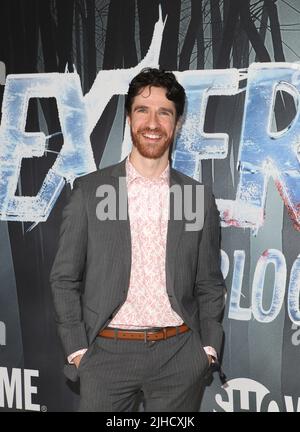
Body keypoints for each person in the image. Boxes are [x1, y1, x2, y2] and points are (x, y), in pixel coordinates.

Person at [50, 67, 226, 412]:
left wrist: (207, 349)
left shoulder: (195, 196)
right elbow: (64, 278)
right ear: (129, 118)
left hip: (180, 357)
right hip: (106, 357)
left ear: (176, 124)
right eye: (143, 110)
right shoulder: (92, 192)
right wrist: (78, 350)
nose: (153, 122)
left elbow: (208, 281)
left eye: (165, 112)